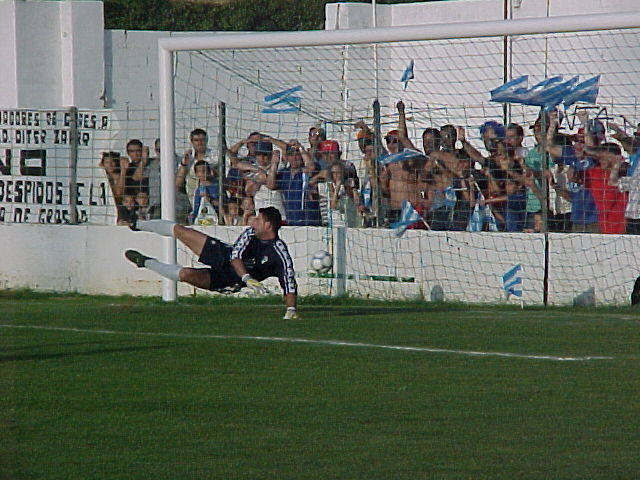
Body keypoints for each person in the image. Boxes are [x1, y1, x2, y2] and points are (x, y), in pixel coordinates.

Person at [125, 206, 298, 319]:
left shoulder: (279, 252)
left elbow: (289, 281)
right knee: (181, 231)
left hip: (229, 279)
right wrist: (247, 277)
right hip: (224, 255)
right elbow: (235, 255)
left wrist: (291, 310)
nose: (253, 221)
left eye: (258, 220)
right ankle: (136, 223)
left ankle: (146, 263)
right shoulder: (251, 233)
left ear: (268, 226)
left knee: (186, 274)